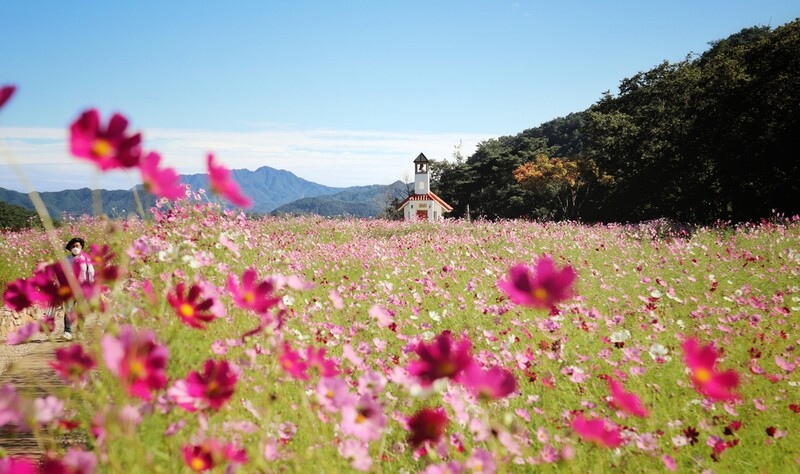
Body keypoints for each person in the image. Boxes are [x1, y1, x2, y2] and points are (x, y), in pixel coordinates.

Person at [62, 237, 95, 340]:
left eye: (77, 246)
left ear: (81, 247)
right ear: (70, 248)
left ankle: (80, 331)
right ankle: (67, 332)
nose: (75, 248)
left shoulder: (86, 259)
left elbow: (91, 273)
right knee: (69, 310)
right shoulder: (66, 260)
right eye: (73, 246)